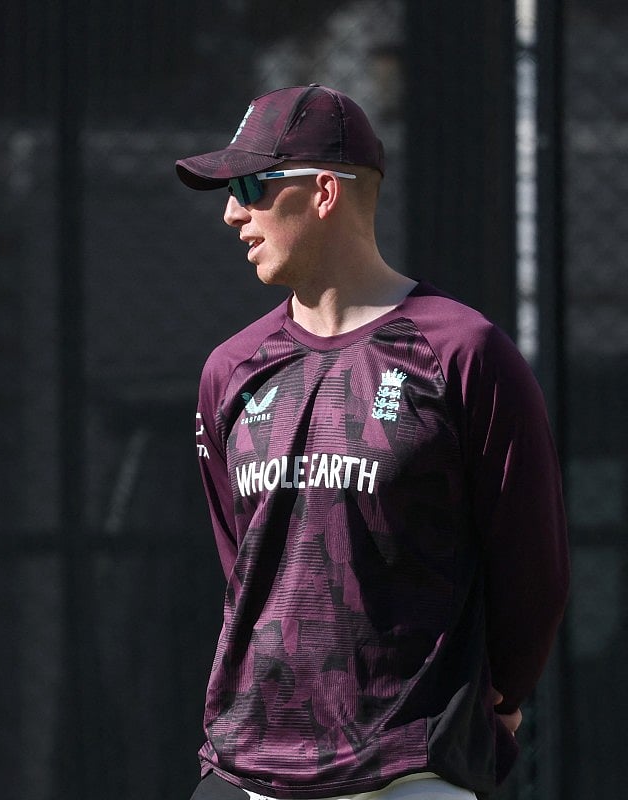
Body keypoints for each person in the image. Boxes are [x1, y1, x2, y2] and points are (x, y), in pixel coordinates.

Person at [173, 85, 569, 800]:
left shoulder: (463, 352)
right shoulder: (229, 370)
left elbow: (532, 568)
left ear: (324, 192)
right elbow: (245, 567)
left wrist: (495, 695)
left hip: (410, 770)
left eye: (250, 186)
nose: (232, 212)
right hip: (247, 766)